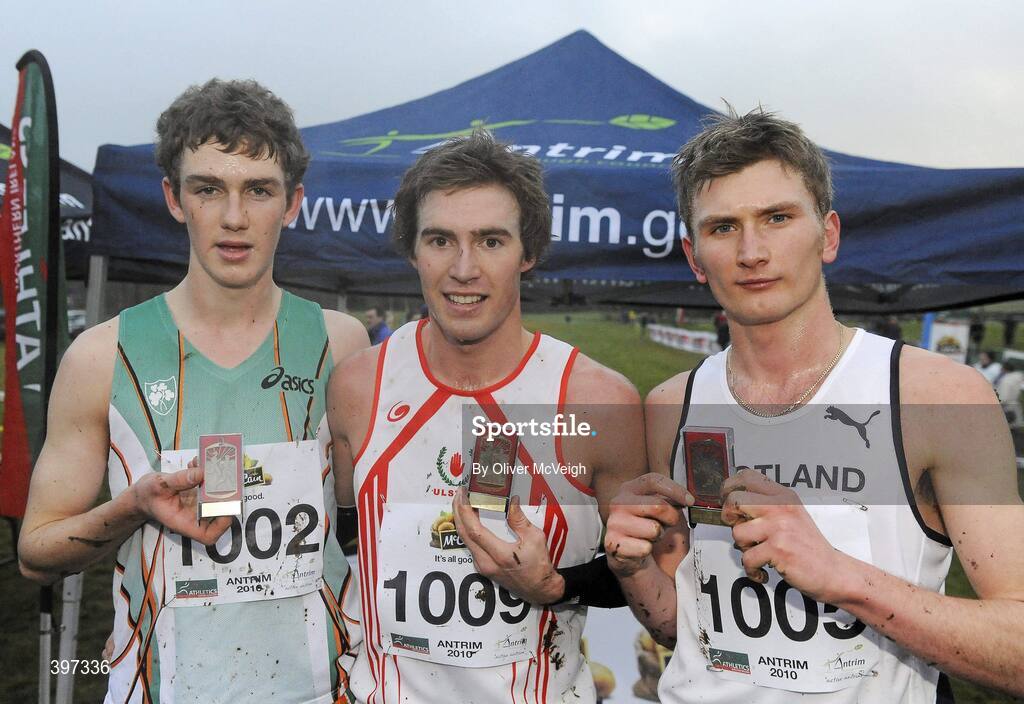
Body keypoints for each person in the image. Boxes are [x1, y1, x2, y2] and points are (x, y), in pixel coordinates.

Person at [605, 109, 1024, 701]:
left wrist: (841, 577)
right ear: (694, 257)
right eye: (723, 227)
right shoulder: (672, 404)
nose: (752, 251)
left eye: (777, 218)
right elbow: (684, 624)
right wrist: (635, 571)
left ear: (827, 235)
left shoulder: (937, 396)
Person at [17, 79, 368, 703]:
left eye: (258, 190)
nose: (234, 218)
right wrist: (133, 507)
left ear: (292, 205)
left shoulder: (342, 344)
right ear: (174, 199)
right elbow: (36, 553)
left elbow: (358, 521)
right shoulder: (101, 355)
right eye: (209, 189)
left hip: (321, 688)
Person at [328, 130, 644, 703]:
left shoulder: (598, 401)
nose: (464, 268)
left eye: (491, 241)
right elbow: (345, 538)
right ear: (412, 250)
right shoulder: (357, 384)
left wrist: (554, 586)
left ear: (529, 253)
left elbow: (644, 580)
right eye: (440, 240)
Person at [995, 359, 1024, 426]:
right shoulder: (1017, 378)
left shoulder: (1006, 380)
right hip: (1016, 409)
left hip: (1007, 410)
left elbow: (1003, 398)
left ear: (1005, 368)